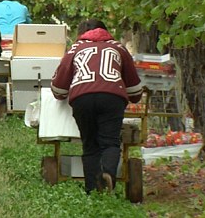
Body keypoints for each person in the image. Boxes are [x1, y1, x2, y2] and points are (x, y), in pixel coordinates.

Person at [50, 19, 143, 194]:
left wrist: (60, 95)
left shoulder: (75, 49)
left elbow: (59, 87)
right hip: (112, 96)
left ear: (81, 34)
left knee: (90, 145)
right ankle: (107, 173)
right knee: (110, 143)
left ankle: (92, 190)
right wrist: (135, 98)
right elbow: (134, 88)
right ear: (106, 31)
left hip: (81, 98)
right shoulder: (119, 48)